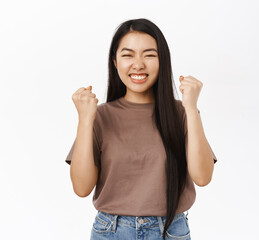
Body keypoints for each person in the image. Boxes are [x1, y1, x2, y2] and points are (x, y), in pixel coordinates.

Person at [65, 18, 218, 240]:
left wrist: (192, 109)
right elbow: (81, 188)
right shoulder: (100, 116)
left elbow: (203, 177)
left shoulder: (182, 113)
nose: (138, 64)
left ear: (162, 61)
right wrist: (85, 120)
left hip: (170, 230)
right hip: (111, 231)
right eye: (128, 55)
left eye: (149, 55)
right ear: (115, 62)